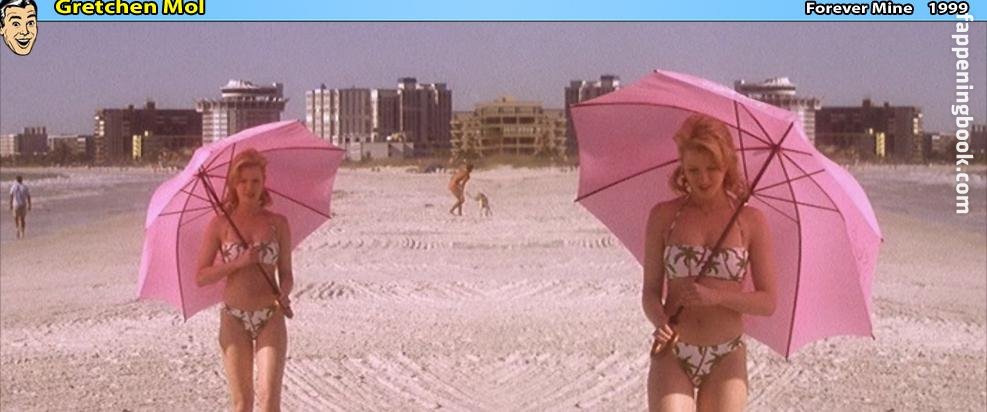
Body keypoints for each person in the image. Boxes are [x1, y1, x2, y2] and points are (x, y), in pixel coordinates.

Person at [643, 114, 777, 411]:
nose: (703, 179)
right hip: (674, 350)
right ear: (682, 167)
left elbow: (768, 302)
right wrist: (659, 320)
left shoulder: (750, 221)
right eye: (693, 170)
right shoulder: (663, 216)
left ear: (727, 165)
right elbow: (650, 291)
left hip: (726, 353)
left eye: (712, 168)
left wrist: (716, 296)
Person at [196, 149, 293, 412]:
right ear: (233, 184)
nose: (249, 188)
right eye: (243, 181)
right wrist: (237, 263)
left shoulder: (278, 224)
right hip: (234, 318)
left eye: (255, 181)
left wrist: (284, 292)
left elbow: (286, 273)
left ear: (263, 183)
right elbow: (201, 276)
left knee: (269, 400)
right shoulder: (220, 225)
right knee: (242, 403)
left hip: (270, 316)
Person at [8, 175, 31, 239]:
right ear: (22, 180)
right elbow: (28, 196)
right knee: (22, 219)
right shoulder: (25, 187)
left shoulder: (13, 186)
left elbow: (11, 196)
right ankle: (22, 232)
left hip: (16, 205)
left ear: (16, 180)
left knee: (16, 218)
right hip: (23, 204)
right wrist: (29, 205)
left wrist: (10, 204)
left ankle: (17, 229)